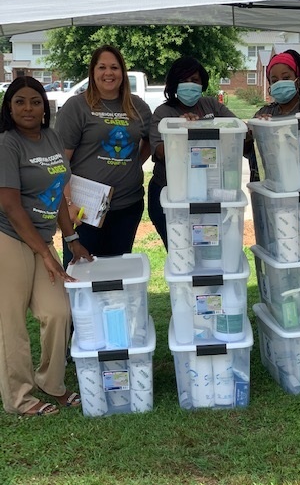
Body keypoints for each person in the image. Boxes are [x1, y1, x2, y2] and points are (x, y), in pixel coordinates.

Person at [0, 77, 92, 416]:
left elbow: (57, 195)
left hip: (42, 238)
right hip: (8, 238)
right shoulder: (7, 145)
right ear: (9, 107)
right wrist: (45, 253)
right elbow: (10, 205)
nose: (28, 108)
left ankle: (50, 383)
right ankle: (20, 398)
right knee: (11, 324)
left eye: (35, 102)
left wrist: (71, 239)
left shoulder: (51, 137)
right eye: (20, 101)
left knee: (58, 312)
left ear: (44, 107)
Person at [56, 45, 152, 266]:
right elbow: (61, 161)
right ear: (93, 72)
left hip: (127, 206)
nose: (108, 73)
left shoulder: (138, 107)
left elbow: (148, 139)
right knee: (80, 272)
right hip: (83, 210)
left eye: (114, 67)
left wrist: (134, 163)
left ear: (122, 72)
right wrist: (69, 203)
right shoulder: (77, 107)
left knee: (116, 271)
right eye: (102, 67)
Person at [148, 56, 236, 249]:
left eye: (194, 80)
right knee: (181, 251)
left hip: (209, 193)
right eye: (183, 80)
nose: (190, 85)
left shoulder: (211, 106)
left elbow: (236, 130)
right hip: (171, 194)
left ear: (202, 82)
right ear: (173, 85)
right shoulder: (163, 113)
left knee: (208, 248)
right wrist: (180, 129)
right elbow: (161, 152)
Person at [247, 49, 300, 181]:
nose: (280, 83)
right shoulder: (263, 114)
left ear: (297, 80)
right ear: (270, 85)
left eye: (286, 78)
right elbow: (246, 150)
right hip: (267, 189)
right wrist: (255, 131)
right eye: (274, 80)